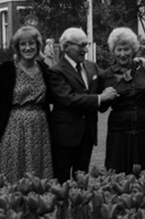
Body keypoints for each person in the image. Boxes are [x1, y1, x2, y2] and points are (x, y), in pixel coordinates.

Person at [48, 27, 118, 183]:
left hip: (87, 134)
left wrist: (136, 62)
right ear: (66, 47)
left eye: (86, 45)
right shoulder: (56, 71)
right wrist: (100, 98)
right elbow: (69, 99)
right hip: (64, 136)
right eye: (81, 45)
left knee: (82, 179)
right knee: (62, 180)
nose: (85, 50)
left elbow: (109, 76)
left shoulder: (91, 66)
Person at [0, 26, 53, 182]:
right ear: (17, 47)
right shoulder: (5, 70)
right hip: (13, 127)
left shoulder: (45, 70)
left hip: (40, 128)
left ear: (38, 46)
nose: (28, 48)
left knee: (39, 171)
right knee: (12, 170)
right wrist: (3, 129)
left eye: (31, 43)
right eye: (23, 44)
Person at [99, 27, 145, 174]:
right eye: (119, 50)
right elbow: (102, 108)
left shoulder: (144, 69)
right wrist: (104, 97)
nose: (123, 54)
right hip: (119, 135)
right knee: (119, 175)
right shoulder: (106, 76)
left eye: (126, 49)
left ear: (133, 50)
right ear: (113, 51)